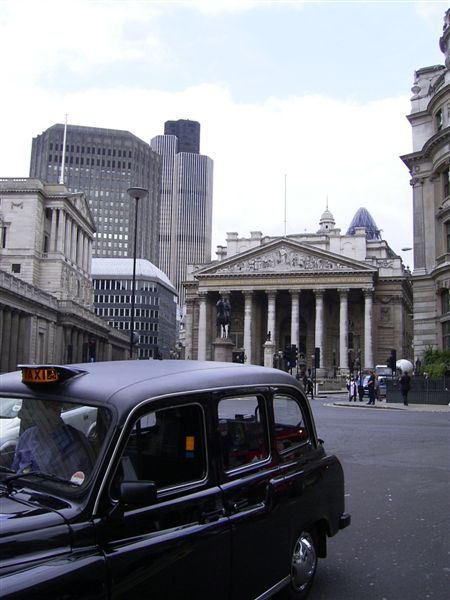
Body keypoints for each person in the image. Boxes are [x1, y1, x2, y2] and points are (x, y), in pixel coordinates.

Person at [12, 400, 94, 481]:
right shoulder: (26, 436)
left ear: (55, 409)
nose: (20, 415)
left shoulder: (73, 443)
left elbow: (67, 485)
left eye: (32, 409)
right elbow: (14, 472)